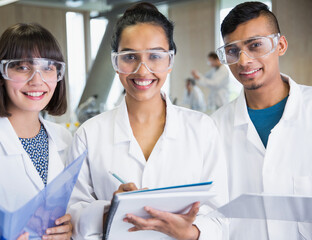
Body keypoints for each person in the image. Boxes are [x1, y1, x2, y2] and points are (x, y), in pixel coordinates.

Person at [68, 2, 228, 240]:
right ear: (116, 62)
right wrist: (108, 212)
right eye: (130, 56)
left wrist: (192, 233)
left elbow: (221, 216)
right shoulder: (89, 134)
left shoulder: (202, 129)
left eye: (155, 56)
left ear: (170, 60)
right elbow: (72, 216)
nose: (143, 71)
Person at [0, 23, 73, 239]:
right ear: (1, 74)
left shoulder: (65, 138)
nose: (37, 80)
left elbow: (76, 206)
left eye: (48, 67)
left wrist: (71, 226)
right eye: (22, 67)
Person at [211, 2, 312, 240]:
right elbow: (211, 212)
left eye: (255, 45)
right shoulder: (215, 127)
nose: (244, 61)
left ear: (281, 45)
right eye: (233, 51)